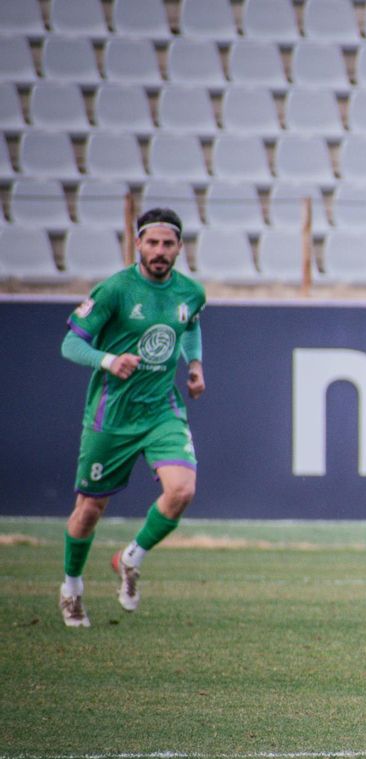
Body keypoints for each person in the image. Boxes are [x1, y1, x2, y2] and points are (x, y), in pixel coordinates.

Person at [57, 207, 206, 628]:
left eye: (168, 244)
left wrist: (194, 364)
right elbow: (71, 344)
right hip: (113, 415)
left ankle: (129, 559)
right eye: (152, 243)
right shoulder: (115, 291)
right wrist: (107, 360)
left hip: (162, 409)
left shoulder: (191, 291)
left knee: (182, 490)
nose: (160, 251)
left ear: (179, 247)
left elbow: (190, 324)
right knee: (89, 509)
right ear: (137, 244)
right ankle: (72, 588)